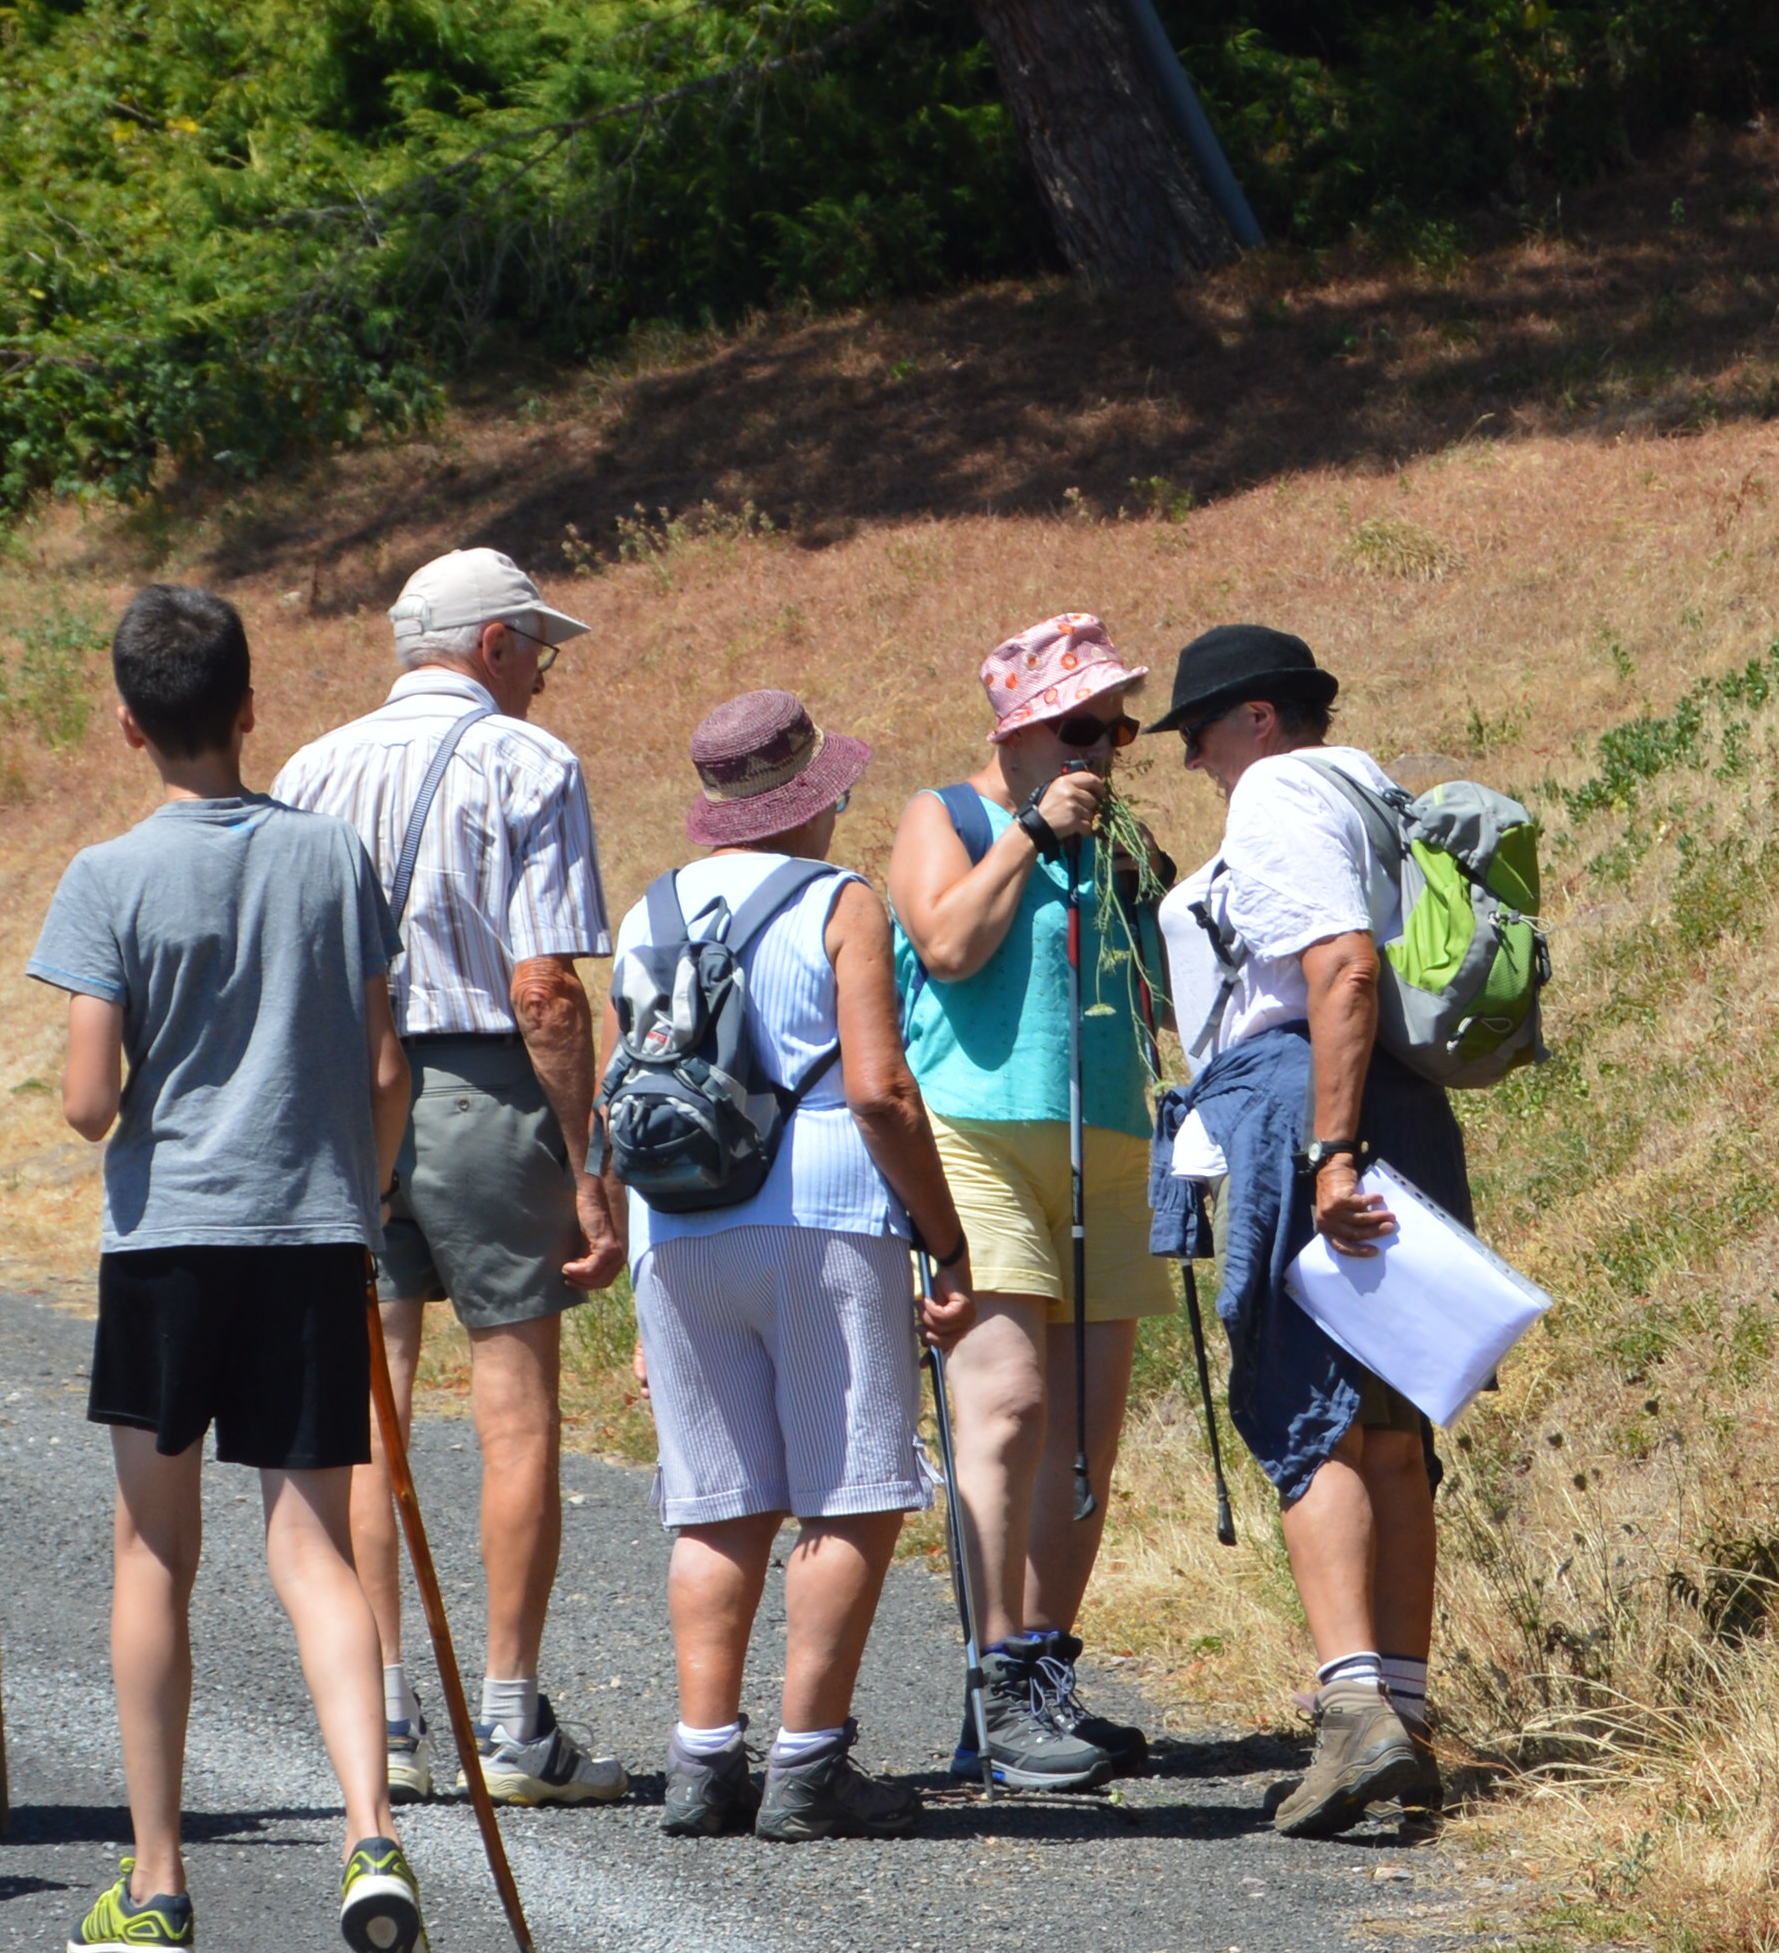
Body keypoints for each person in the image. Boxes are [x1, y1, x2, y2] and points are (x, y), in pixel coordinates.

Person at [31, 582, 443, 1953]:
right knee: (314, 1548)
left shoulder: (107, 875)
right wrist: (367, 1188)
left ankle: (159, 1886)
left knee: (156, 1556)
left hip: (167, 1247)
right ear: (253, 704)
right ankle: (372, 1835)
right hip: (316, 1233)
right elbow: (389, 1068)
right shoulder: (335, 861)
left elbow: (90, 1103)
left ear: (132, 725)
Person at [268, 546, 626, 1806]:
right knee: (516, 1405)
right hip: (482, 1085)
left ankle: (390, 1707)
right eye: (539, 644)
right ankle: (515, 1720)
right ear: (491, 645)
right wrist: (591, 1162)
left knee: (376, 1405)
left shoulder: (312, 766)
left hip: (345, 1091)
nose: (544, 670)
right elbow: (544, 986)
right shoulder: (528, 761)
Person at [615, 689, 978, 1840]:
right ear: (815, 798)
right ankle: (808, 1764)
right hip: (821, 1213)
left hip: (675, 1227)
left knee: (716, 1505)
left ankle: (701, 1759)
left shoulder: (647, 911)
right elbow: (878, 1089)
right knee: (853, 1488)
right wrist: (946, 1235)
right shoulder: (840, 901)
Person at [1152, 622, 1472, 1842]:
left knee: (1307, 1408)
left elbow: (1335, 967)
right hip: (1397, 1098)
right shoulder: (1373, 787)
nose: (1194, 764)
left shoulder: (1280, 788)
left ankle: (1351, 1712)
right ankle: (1401, 1705)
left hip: (1310, 1104)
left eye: (1198, 735)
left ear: (1259, 719)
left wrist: (1328, 1151)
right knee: (1387, 1426)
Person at [888, 612, 1177, 1797]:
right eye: (1079, 726)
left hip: (1108, 1137)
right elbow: (946, 943)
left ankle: (1044, 1672)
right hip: (982, 1135)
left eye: (1115, 729)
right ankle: (990, 1683)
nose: (1102, 749)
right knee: (1003, 1407)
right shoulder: (944, 817)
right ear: (1017, 730)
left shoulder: (1116, 837)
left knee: (1085, 1437)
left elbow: (1161, 988)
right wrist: (1022, 834)